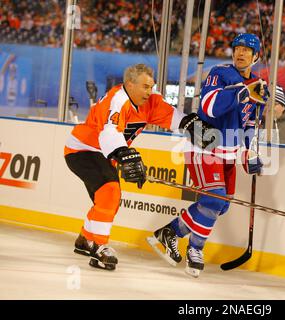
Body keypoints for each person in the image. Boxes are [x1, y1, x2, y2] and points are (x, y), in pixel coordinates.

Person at [64, 63, 213, 270]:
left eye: (151, 86)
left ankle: (84, 240)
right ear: (130, 85)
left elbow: (171, 115)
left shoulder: (150, 102)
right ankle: (99, 246)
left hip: (103, 153)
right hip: (82, 149)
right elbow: (109, 132)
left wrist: (189, 124)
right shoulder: (118, 100)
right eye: (144, 86)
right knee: (110, 191)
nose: (149, 91)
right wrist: (124, 154)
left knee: (108, 199)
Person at [147, 33, 269, 278]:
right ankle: (195, 249)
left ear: (256, 57)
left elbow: (249, 125)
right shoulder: (220, 73)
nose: (241, 53)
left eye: (247, 50)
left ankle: (170, 232)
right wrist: (242, 92)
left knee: (220, 205)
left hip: (229, 154)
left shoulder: (258, 84)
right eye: (238, 48)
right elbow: (209, 107)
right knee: (213, 200)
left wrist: (250, 153)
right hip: (205, 147)